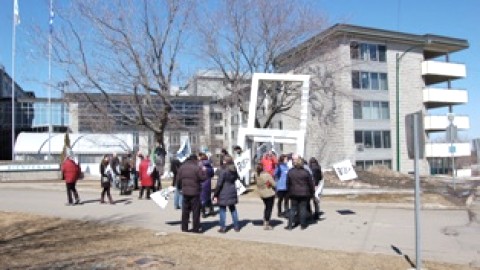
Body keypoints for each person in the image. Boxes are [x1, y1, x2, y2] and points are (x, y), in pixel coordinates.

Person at [176, 154, 207, 233]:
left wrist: (180, 188)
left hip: (185, 191)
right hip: (195, 192)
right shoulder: (197, 168)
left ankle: (184, 227)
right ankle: (195, 228)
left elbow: (178, 179)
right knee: (195, 211)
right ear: (195, 160)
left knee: (185, 211)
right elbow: (203, 178)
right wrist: (204, 171)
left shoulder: (182, 167)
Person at [285, 156, 315, 230]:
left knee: (293, 209)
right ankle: (303, 225)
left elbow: (287, 183)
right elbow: (310, 183)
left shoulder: (290, 172)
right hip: (304, 193)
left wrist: (288, 192)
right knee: (303, 209)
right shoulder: (306, 172)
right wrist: (312, 192)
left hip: (293, 192)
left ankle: (289, 225)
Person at [213, 155, 240, 233]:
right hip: (232, 190)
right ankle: (236, 226)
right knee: (233, 209)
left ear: (225, 161)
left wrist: (215, 194)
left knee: (222, 210)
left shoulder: (224, 170)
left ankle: (223, 227)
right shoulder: (234, 169)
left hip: (224, 191)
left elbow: (219, 184)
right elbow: (236, 178)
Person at [255, 163, 276, 230]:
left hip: (261, 193)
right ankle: (266, 223)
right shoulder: (266, 175)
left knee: (266, 207)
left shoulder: (256, 175)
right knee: (269, 209)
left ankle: (265, 219)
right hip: (269, 193)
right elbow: (274, 184)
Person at [199, 152, 215, 218]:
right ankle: (211, 211)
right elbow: (212, 174)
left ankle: (203, 212)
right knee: (207, 197)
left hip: (201, 183)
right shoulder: (209, 165)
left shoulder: (199, 165)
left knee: (202, 199)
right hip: (208, 183)